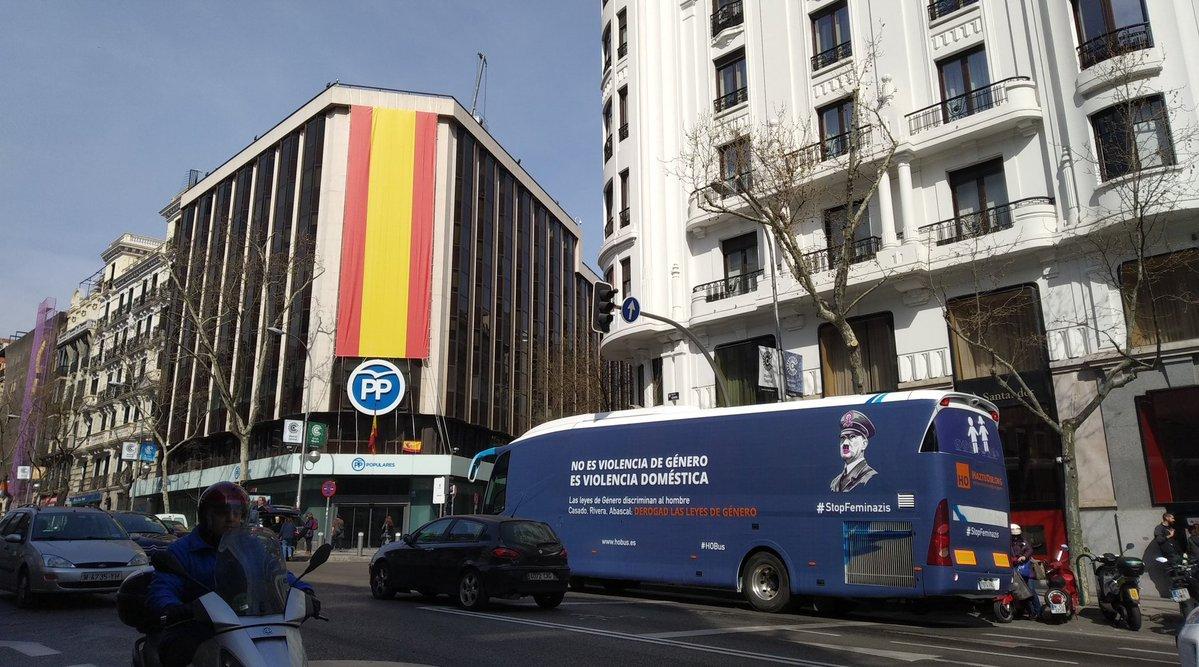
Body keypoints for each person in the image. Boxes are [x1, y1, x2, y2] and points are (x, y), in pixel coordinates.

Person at [146, 482, 316, 667]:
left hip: (250, 623)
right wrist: (171, 607)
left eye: (237, 513)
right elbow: (164, 585)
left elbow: (276, 572)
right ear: (206, 516)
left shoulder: (253, 547)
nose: (231, 519)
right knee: (175, 652)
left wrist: (305, 592)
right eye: (222, 513)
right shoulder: (182, 551)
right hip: (198, 626)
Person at [829, 410, 878, 492]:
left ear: (864, 444)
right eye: (843, 438)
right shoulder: (835, 482)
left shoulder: (870, 478)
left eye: (852, 437)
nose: (845, 443)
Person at [1010, 523, 1041, 618]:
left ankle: (1037, 611)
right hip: (1014, 568)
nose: (1016, 537)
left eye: (1017, 535)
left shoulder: (1023, 542)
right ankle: (1026, 611)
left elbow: (1029, 550)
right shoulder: (1008, 542)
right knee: (1020, 592)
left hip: (1024, 570)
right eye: (1014, 535)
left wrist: (1023, 556)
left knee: (1030, 591)